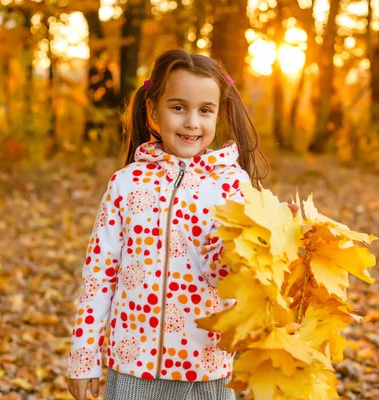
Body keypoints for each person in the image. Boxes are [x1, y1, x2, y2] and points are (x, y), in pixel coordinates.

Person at [66, 49, 269, 400]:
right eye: (178, 107)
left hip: (206, 367)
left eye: (205, 110)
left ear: (218, 115)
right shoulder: (126, 184)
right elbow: (99, 275)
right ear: (153, 111)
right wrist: (84, 358)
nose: (192, 122)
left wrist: (274, 237)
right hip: (132, 365)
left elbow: (236, 279)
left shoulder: (233, 188)